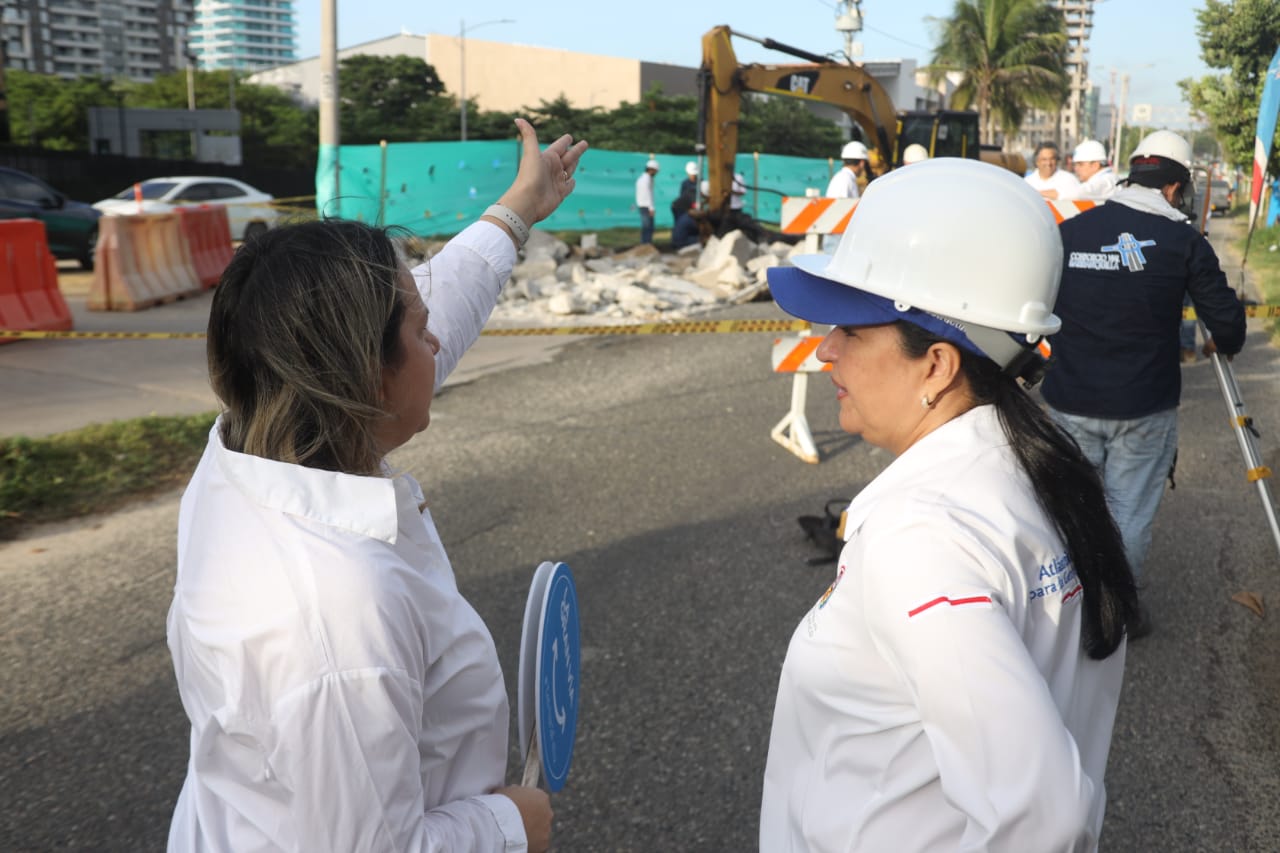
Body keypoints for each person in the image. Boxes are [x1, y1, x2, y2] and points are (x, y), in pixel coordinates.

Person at [165, 118, 588, 853]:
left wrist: (517, 210)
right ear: (362, 370)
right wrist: (510, 825)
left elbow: (435, 310)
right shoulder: (334, 616)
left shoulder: (257, 443)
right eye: (415, 329)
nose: (435, 341)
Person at [759, 158, 1138, 851]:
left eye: (850, 328)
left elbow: (1042, 818)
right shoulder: (1031, 467)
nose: (825, 351)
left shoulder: (923, 537)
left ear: (936, 364)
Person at [1041, 129, 1246, 637]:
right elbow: (1229, 327)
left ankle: (1062, 612)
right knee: (1128, 513)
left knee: (1073, 511)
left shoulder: (1073, 231)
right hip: (1142, 407)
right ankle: (1111, 614)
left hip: (1069, 399)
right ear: (1176, 188)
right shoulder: (1183, 241)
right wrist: (1221, 340)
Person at [670, 161, 701, 249]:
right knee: (681, 227)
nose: (693, 176)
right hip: (684, 209)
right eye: (691, 174)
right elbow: (682, 198)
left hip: (693, 209)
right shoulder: (685, 183)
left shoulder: (700, 182)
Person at [635, 158, 660, 244]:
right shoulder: (646, 180)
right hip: (646, 206)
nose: (656, 173)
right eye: (655, 171)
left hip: (644, 205)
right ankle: (646, 245)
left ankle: (646, 244)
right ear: (651, 170)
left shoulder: (643, 178)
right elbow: (648, 194)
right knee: (648, 227)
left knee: (648, 227)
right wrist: (651, 208)